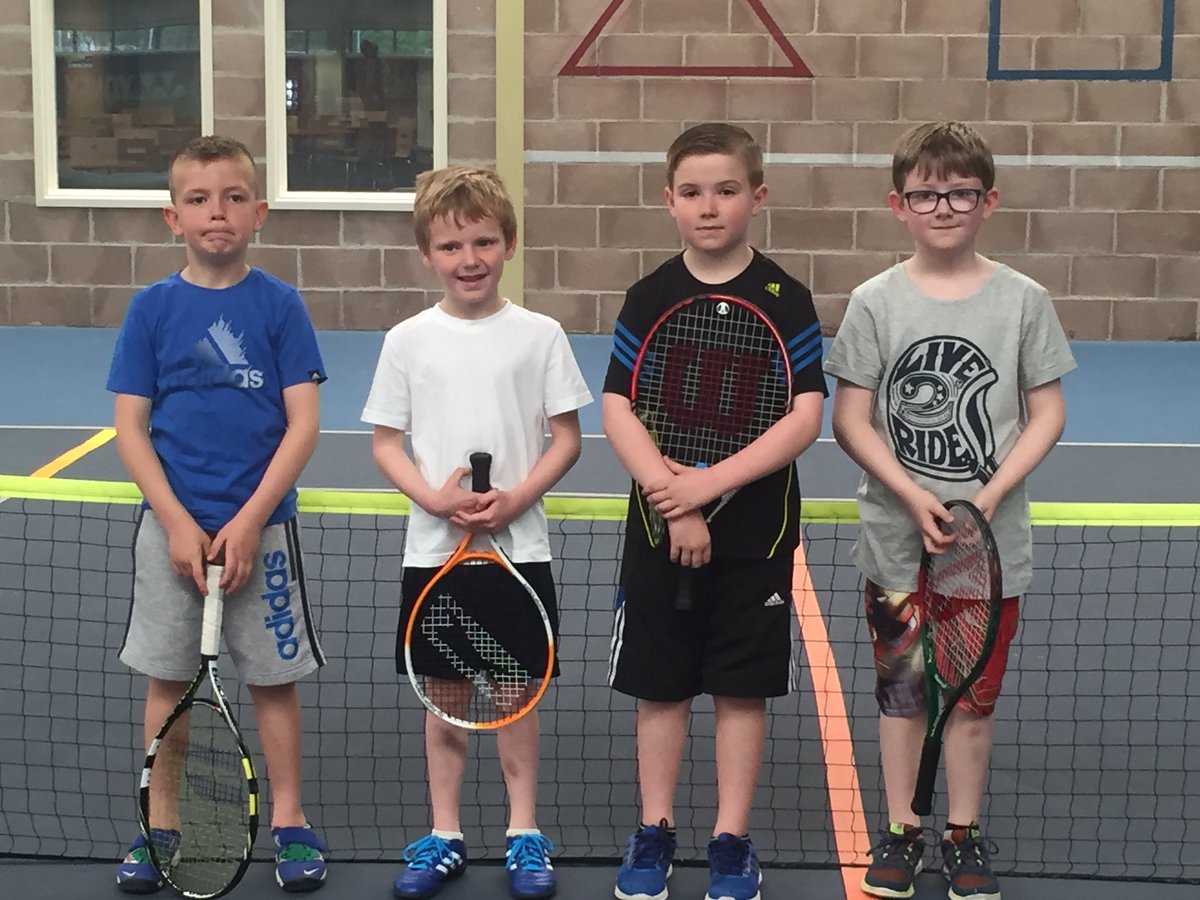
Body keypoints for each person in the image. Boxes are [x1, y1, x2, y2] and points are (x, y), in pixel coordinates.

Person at [825, 121, 1076, 900]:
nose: (943, 206)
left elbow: (1048, 413)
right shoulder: (873, 302)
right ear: (898, 204)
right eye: (926, 193)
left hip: (988, 545)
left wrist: (988, 498)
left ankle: (961, 836)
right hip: (896, 546)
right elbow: (850, 419)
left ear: (987, 200)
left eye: (959, 192)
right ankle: (901, 832)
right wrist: (912, 495)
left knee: (971, 697)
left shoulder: (1024, 302)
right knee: (902, 695)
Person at [602, 122, 827, 900]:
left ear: (756, 197)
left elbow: (803, 417)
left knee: (741, 689)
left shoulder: (784, 298)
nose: (709, 206)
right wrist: (676, 503)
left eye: (727, 191)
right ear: (668, 201)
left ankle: (730, 839)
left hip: (755, 538)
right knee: (661, 689)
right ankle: (654, 831)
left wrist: (708, 486)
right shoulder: (650, 295)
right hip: (659, 532)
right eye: (692, 192)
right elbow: (618, 408)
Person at [362, 164, 592, 900]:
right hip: (435, 556)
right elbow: (386, 444)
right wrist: (432, 498)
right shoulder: (406, 340)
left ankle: (525, 833)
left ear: (510, 244)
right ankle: (445, 835)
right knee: (447, 696)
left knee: (517, 695)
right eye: (452, 245)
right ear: (426, 253)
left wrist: (518, 496)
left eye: (485, 241)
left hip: (518, 555)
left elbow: (566, 437)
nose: (470, 258)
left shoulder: (541, 335)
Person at [108, 135, 329, 893]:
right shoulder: (151, 310)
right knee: (168, 685)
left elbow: (303, 424)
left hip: (261, 536)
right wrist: (174, 520)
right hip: (169, 537)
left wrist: (248, 519)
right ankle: (159, 827)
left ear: (259, 212)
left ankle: (292, 825)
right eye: (199, 199)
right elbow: (130, 428)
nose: (217, 212)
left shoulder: (280, 305)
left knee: (274, 683)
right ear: (173, 217)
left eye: (234, 197)